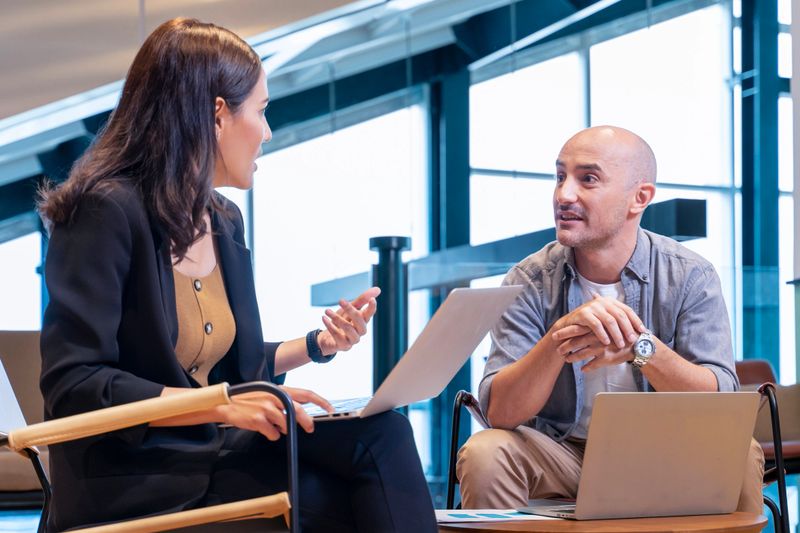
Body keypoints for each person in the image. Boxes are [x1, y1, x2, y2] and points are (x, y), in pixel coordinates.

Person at [38, 18, 436, 532]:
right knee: (342, 499)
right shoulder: (105, 210)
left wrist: (308, 351)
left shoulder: (224, 220)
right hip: (139, 480)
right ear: (216, 114)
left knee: (384, 433)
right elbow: (76, 384)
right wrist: (222, 408)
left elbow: (234, 370)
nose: (268, 131)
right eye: (262, 110)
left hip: (214, 458)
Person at [456, 125, 764, 514]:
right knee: (485, 452)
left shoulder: (689, 275)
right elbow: (500, 414)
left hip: (663, 452)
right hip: (559, 452)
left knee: (739, 451)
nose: (564, 195)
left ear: (640, 197)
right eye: (559, 177)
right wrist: (557, 339)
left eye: (588, 179)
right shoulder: (528, 280)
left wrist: (640, 348)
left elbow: (720, 403)